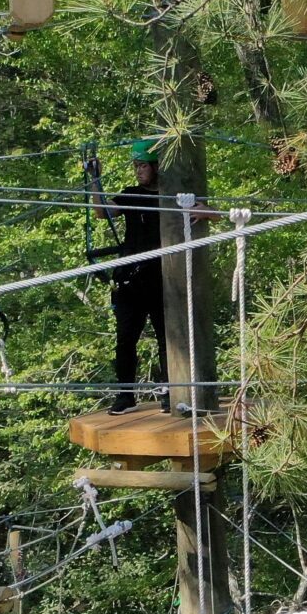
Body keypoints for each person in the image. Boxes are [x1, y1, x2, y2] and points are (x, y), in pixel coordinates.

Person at [102, 138, 167, 415]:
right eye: (136, 166)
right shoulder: (130, 194)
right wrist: (93, 183)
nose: (138, 171)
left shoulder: (171, 195)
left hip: (162, 279)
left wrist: (198, 208)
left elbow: (211, 213)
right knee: (126, 339)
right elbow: (103, 212)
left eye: (143, 166)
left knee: (168, 338)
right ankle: (125, 394)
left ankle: (169, 390)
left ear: (156, 167)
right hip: (131, 280)